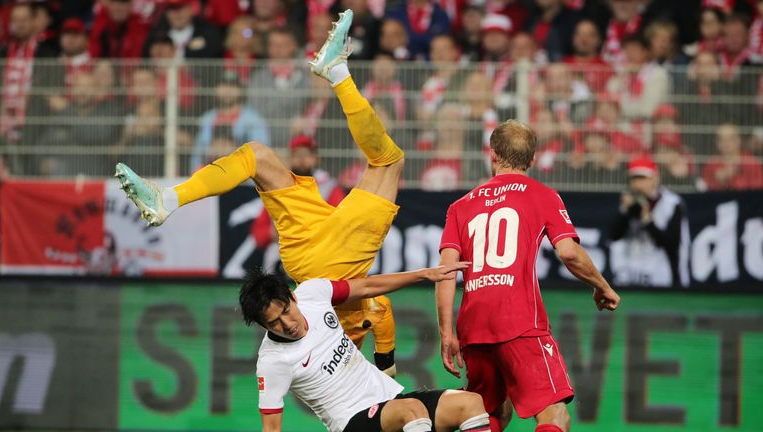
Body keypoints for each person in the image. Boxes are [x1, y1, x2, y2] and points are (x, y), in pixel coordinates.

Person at [115, 10, 402, 373]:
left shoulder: (340, 332)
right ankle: (167, 199)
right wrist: (386, 369)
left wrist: (386, 366)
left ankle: (337, 72)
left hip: (323, 265)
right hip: (306, 257)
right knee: (256, 156)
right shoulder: (343, 338)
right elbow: (380, 317)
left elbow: (381, 309)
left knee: (388, 161)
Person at [435, 120, 620, 432]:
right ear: (533, 159)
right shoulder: (543, 195)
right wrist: (602, 286)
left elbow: (445, 273)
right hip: (519, 321)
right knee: (555, 416)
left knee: (491, 413)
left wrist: (446, 333)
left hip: (473, 328)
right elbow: (570, 253)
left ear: (492, 155)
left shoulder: (460, 206)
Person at [244, 264, 493, 432]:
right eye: (273, 322)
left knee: (470, 403)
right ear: (261, 325)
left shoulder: (313, 293)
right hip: (353, 421)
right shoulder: (272, 362)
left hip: (391, 402)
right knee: (413, 412)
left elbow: (367, 287)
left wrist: (426, 274)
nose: (286, 324)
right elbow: (271, 427)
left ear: (292, 296)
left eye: (286, 311)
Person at [609, 156, 691, 288]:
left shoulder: (671, 203)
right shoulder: (628, 202)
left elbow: (672, 245)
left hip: (665, 279)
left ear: (655, 178)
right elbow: (614, 236)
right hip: (631, 278)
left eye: (643, 178)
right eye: (634, 179)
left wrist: (646, 219)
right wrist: (625, 211)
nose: (638, 184)